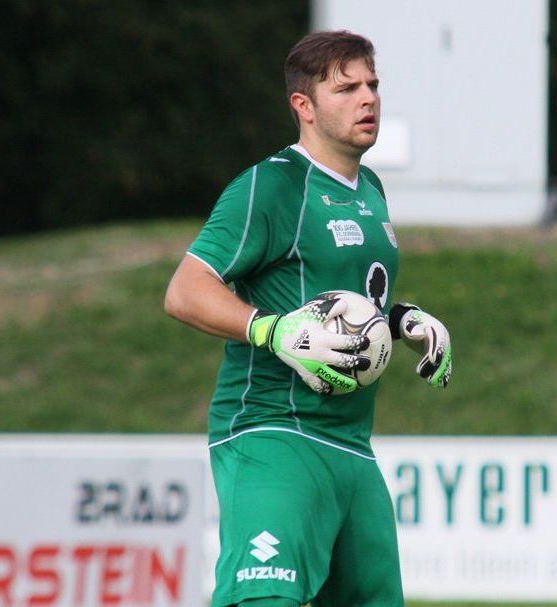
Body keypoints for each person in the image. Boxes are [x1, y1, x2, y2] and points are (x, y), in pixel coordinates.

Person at [165, 30, 452, 607]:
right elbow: (185, 290)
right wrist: (272, 330)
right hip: (276, 433)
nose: (367, 98)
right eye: (346, 89)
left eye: (372, 85)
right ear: (305, 106)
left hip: (351, 444)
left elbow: (343, 297)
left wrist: (402, 320)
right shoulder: (272, 185)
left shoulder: (370, 189)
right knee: (264, 599)